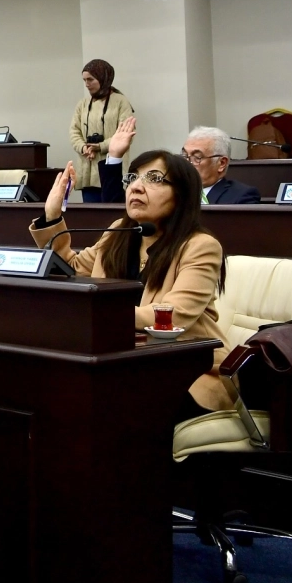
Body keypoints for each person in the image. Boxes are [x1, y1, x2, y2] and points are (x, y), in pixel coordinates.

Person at [31, 150, 230, 414]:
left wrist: (99, 314)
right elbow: (71, 270)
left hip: (187, 369)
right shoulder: (119, 232)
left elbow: (173, 315)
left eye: (154, 178)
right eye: (132, 178)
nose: (136, 186)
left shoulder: (200, 246)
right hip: (118, 358)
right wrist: (52, 216)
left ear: (181, 193)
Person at [69, 59, 134, 202]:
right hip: (88, 172)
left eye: (90, 79)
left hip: (112, 172)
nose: (87, 84)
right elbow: (74, 131)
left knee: (113, 212)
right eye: (84, 80)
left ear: (103, 78)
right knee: (91, 214)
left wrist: (100, 146)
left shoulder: (121, 102)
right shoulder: (83, 104)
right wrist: (84, 147)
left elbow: (126, 134)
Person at [181, 126, 261, 204]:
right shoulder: (177, 192)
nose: (187, 163)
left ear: (222, 163)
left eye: (197, 157)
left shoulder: (241, 196)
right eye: (184, 155)